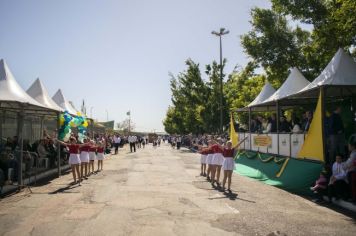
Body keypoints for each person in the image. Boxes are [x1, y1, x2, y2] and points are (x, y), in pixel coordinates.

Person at [343, 135, 356, 203]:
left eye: (349, 145)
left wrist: (343, 166)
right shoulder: (353, 153)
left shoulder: (354, 154)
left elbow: (348, 164)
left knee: (352, 186)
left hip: (352, 172)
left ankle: (354, 198)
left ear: (353, 146)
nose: (348, 146)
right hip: (352, 171)